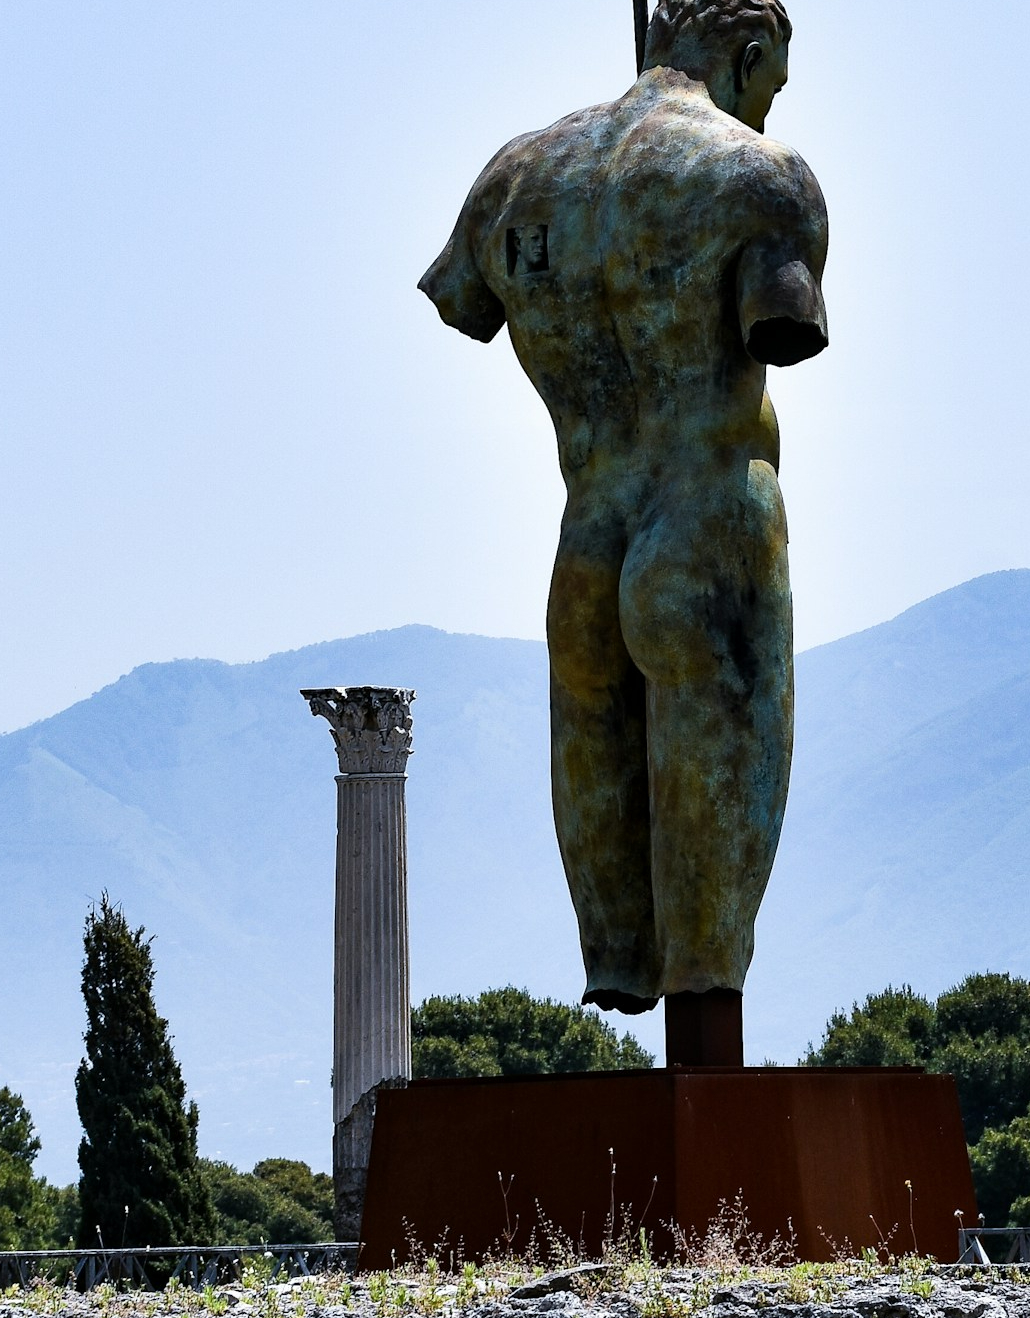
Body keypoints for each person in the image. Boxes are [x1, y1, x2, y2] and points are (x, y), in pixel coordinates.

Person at [419, 0, 827, 1056]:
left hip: (586, 541)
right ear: (747, 53)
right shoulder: (760, 177)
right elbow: (780, 331)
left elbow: (463, 298)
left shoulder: (517, 178)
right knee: (728, 792)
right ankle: (705, 1009)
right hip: (707, 528)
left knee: (605, 797)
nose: (769, 101)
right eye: (771, 80)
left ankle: (614, 958)